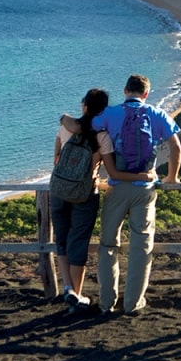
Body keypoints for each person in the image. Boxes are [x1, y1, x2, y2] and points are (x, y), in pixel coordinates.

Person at [65, 74, 181, 315]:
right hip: (146, 187)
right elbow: (176, 147)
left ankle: (107, 302)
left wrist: (63, 118)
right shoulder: (157, 114)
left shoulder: (110, 114)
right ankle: (133, 304)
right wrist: (171, 177)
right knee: (142, 246)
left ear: (125, 91)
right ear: (146, 94)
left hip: (117, 186)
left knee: (108, 244)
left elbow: (83, 127)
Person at [51, 88, 111, 313]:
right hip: (84, 193)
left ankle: (68, 289)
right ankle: (76, 294)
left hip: (59, 189)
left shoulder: (66, 127)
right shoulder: (103, 135)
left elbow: (57, 159)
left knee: (62, 240)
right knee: (79, 242)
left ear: (84, 105)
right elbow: (104, 165)